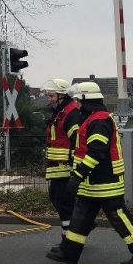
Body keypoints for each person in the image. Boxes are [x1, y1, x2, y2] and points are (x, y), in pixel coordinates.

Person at [46, 82, 133, 264]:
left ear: (87, 100)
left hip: (105, 183)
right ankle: (69, 253)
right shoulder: (91, 119)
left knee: (119, 219)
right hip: (92, 183)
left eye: (79, 100)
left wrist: (77, 175)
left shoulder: (99, 121)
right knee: (80, 218)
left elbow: (96, 152)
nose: (76, 104)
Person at [43, 78, 83, 236]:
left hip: (66, 166)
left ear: (61, 95)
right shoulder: (60, 112)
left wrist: (74, 165)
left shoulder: (70, 114)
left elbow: (77, 141)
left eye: (51, 96)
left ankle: (70, 237)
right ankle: (79, 225)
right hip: (58, 167)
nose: (49, 99)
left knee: (63, 201)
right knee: (56, 197)